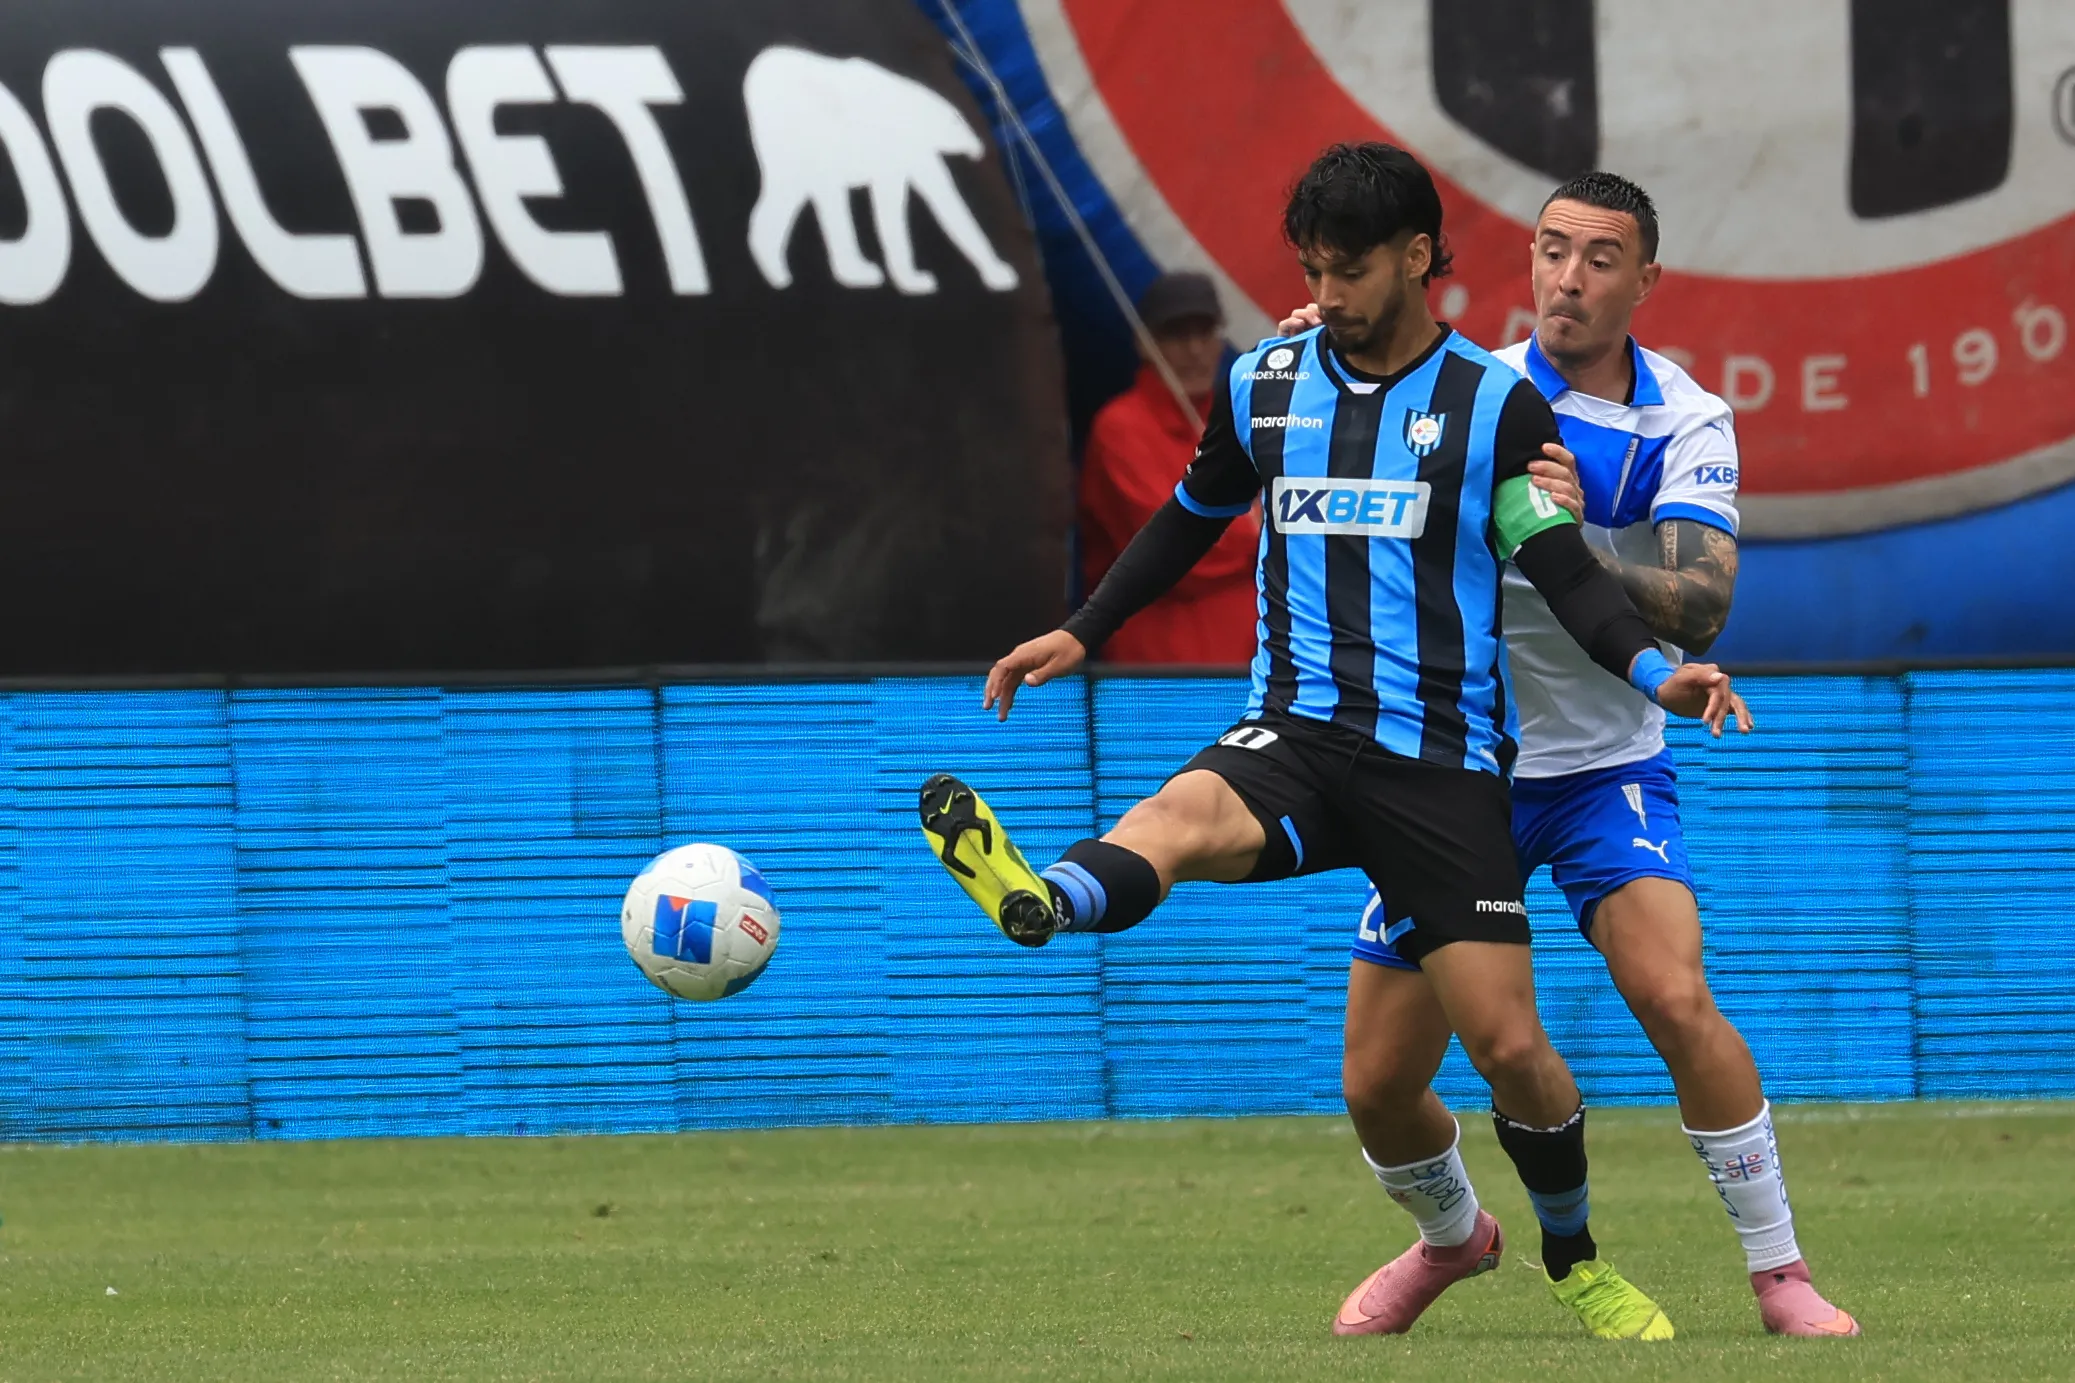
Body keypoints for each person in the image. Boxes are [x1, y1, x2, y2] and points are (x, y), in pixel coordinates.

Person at [917, 142, 1744, 1340]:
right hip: (1296, 732)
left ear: (1416, 258)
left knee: (1510, 1050)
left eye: (1349, 270)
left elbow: (1562, 571)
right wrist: (1081, 629)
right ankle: (1045, 899)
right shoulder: (1262, 382)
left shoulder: (1488, 405)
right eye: (1313, 269)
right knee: (1184, 822)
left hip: (1441, 768)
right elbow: (1186, 515)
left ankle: (1571, 1259)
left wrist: (1659, 675)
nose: (1330, 291)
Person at [1281, 171, 1859, 1338]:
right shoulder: (1469, 392)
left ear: (1644, 281)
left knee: (1671, 995)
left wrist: (1570, 522)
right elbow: (1332, 414)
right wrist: (1322, 352)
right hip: (1449, 772)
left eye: (1600, 259)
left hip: (1605, 769)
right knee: (1374, 1084)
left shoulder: (1679, 420)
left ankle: (1778, 1274)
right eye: (1551, 251)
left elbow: (1699, 608)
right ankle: (1453, 1242)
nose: (1568, 279)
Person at [1077, 272, 1260, 664]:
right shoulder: (1121, 427)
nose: (1195, 350)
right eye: (1177, 335)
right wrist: (1264, 541)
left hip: (1250, 659)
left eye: (1205, 332)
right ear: (1144, 343)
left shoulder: (1240, 413)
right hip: (1162, 671)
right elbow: (1182, 553)